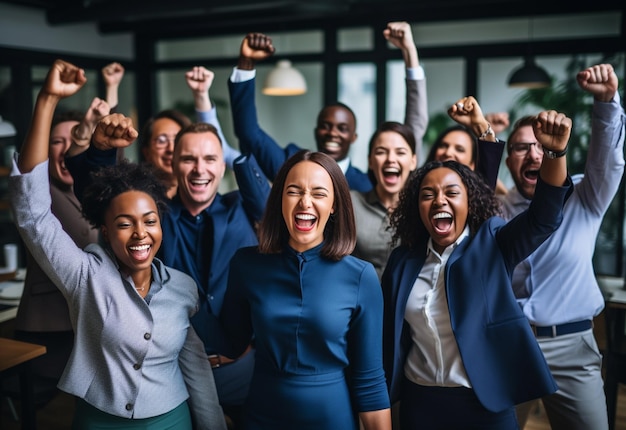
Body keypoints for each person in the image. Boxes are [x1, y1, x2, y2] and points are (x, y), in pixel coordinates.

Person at [9, 59, 226, 430]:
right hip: (98, 421)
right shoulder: (86, 276)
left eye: (150, 221)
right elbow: (33, 214)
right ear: (105, 231)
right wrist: (45, 99)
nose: (140, 233)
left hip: (172, 420)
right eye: (124, 224)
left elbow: (195, 370)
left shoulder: (183, 288)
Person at [382, 108, 574, 429]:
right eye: (428, 195)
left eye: (452, 193)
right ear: (417, 208)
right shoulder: (403, 260)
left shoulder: (492, 243)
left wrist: (555, 153)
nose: (439, 200)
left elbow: (544, 217)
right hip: (419, 403)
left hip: (483, 403)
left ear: (470, 202)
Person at [219, 149, 391, 429]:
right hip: (261, 415)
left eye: (319, 193)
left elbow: (369, 379)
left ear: (334, 205)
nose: (305, 202)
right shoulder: (246, 265)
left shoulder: (361, 276)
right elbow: (230, 341)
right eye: (294, 191)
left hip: (330, 417)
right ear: (280, 201)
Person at [499, 63, 624, 430]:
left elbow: (609, 160)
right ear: (510, 161)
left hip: (571, 346)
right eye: (522, 147)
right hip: (511, 344)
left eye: (541, 146)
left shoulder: (585, 195)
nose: (534, 155)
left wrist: (606, 101)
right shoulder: (498, 210)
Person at [228, 23, 428, 193]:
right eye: (326, 125)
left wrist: (410, 53)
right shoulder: (290, 164)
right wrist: (246, 63)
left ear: (354, 137)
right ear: (316, 131)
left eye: (342, 128)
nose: (333, 133)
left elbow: (413, 128)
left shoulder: (366, 187)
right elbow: (249, 132)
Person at [12, 105, 104, 409]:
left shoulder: (88, 196)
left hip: (86, 324)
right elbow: (28, 175)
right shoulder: (41, 193)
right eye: (56, 141)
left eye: (75, 139)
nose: (65, 150)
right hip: (49, 324)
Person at [349, 22, 428, 279]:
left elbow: (416, 119)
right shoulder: (352, 204)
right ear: (370, 161)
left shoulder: (424, 206)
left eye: (400, 152)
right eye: (381, 151)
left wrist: (409, 50)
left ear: (413, 160)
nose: (391, 158)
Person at [424, 99, 506, 193]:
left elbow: (487, 187)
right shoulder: (414, 190)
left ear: (473, 164)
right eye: (443, 146)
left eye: (460, 149)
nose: (448, 153)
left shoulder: (477, 199)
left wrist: (482, 128)